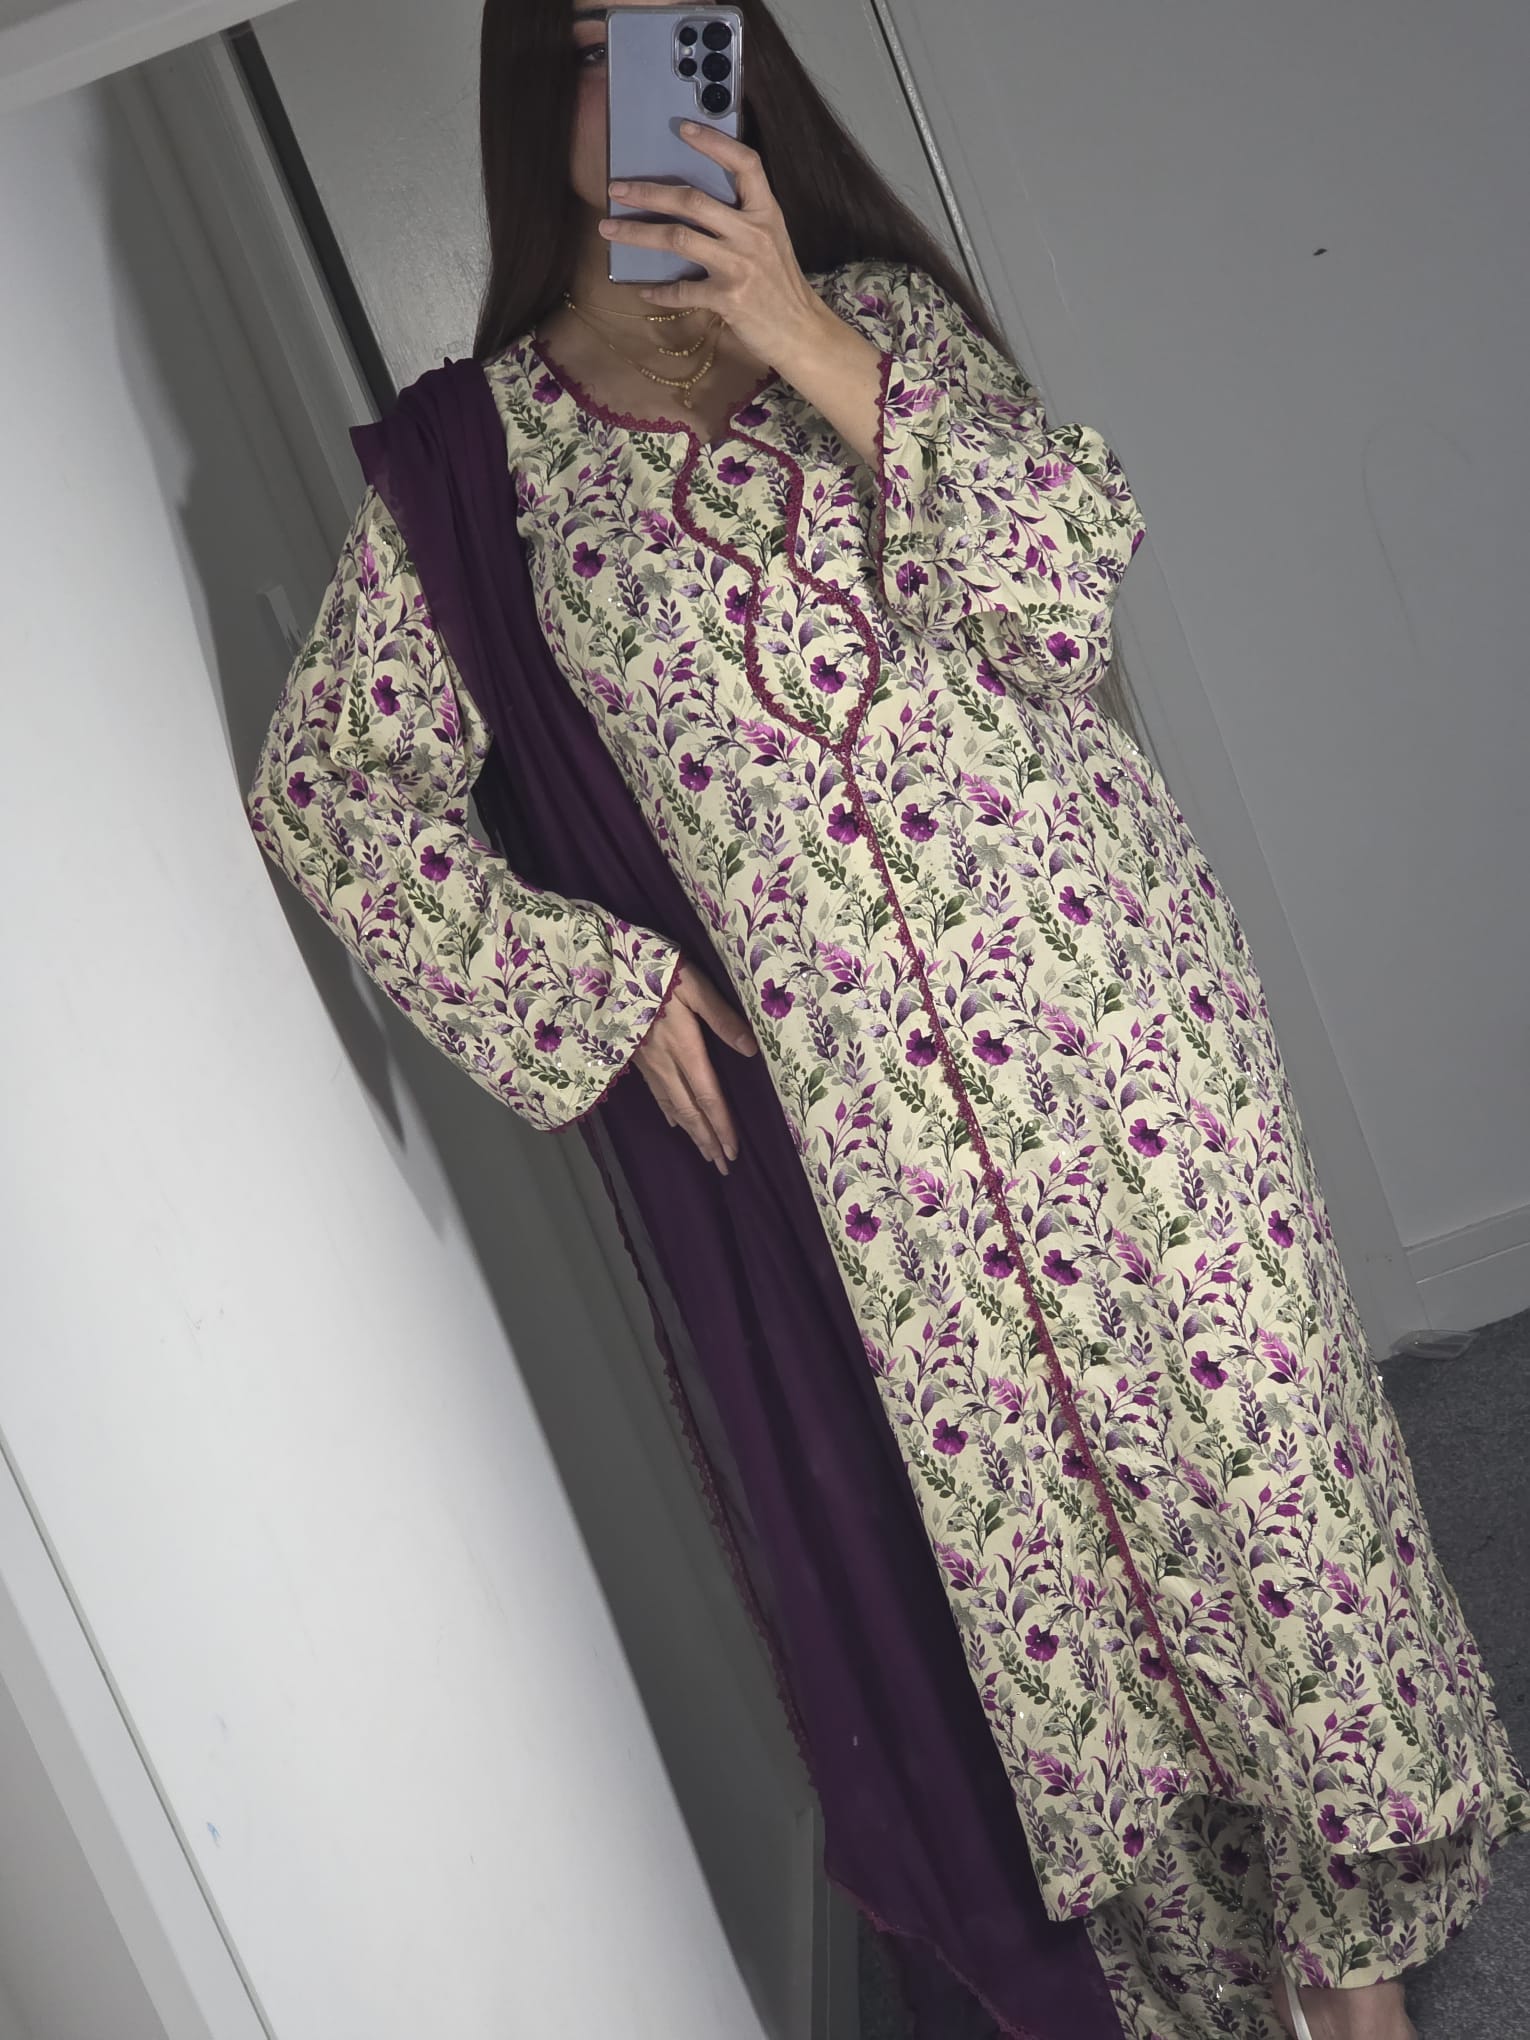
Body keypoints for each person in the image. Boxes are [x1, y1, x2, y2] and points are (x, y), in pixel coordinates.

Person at [243, 2, 1528, 2034]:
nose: (635, 85)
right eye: (589, 41)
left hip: (1127, 1042)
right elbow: (333, 787)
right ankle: (1224, 1971)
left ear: (737, 61)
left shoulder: (885, 331)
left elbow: (1061, 586)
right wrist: (598, 981)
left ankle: (1355, 1977)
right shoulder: (484, 469)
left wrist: (804, 336)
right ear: (527, 87)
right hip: (882, 1159)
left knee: (1267, 1483)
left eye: (676, 33)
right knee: (1070, 1581)